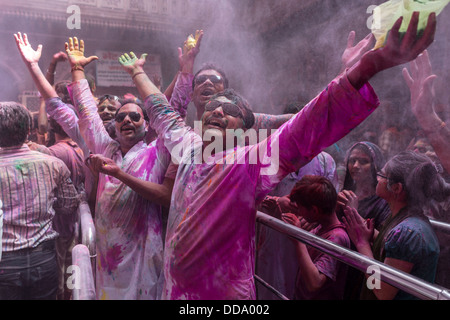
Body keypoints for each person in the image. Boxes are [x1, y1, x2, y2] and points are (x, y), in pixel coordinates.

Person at [122, 11, 437, 299]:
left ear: (242, 131)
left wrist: (371, 65)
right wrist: (137, 71)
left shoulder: (247, 162)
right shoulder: (187, 147)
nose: (217, 110)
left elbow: (305, 125)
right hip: (174, 293)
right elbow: (158, 107)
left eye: (230, 110)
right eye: (213, 107)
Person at [14, 33, 173, 300]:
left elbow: (169, 113)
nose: (125, 120)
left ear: (148, 125)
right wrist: (75, 69)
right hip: (107, 257)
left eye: (135, 116)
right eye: (120, 117)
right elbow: (82, 110)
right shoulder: (105, 147)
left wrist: (181, 71)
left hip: (144, 256)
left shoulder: (156, 153)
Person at [0, 101, 79, 300]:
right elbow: (69, 205)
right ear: (29, 129)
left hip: (4, 261)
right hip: (43, 258)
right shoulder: (52, 164)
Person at [343, 151, 446, 300]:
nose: (377, 178)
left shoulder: (408, 232)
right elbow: (393, 250)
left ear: (397, 188)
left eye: (382, 175)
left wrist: (362, 244)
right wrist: (372, 235)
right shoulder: (405, 219)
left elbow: (381, 291)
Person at [281, 175, 350, 300]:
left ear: (314, 211)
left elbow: (315, 283)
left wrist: (298, 238)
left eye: (300, 208)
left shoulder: (337, 237)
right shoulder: (320, 227)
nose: (299, 212)